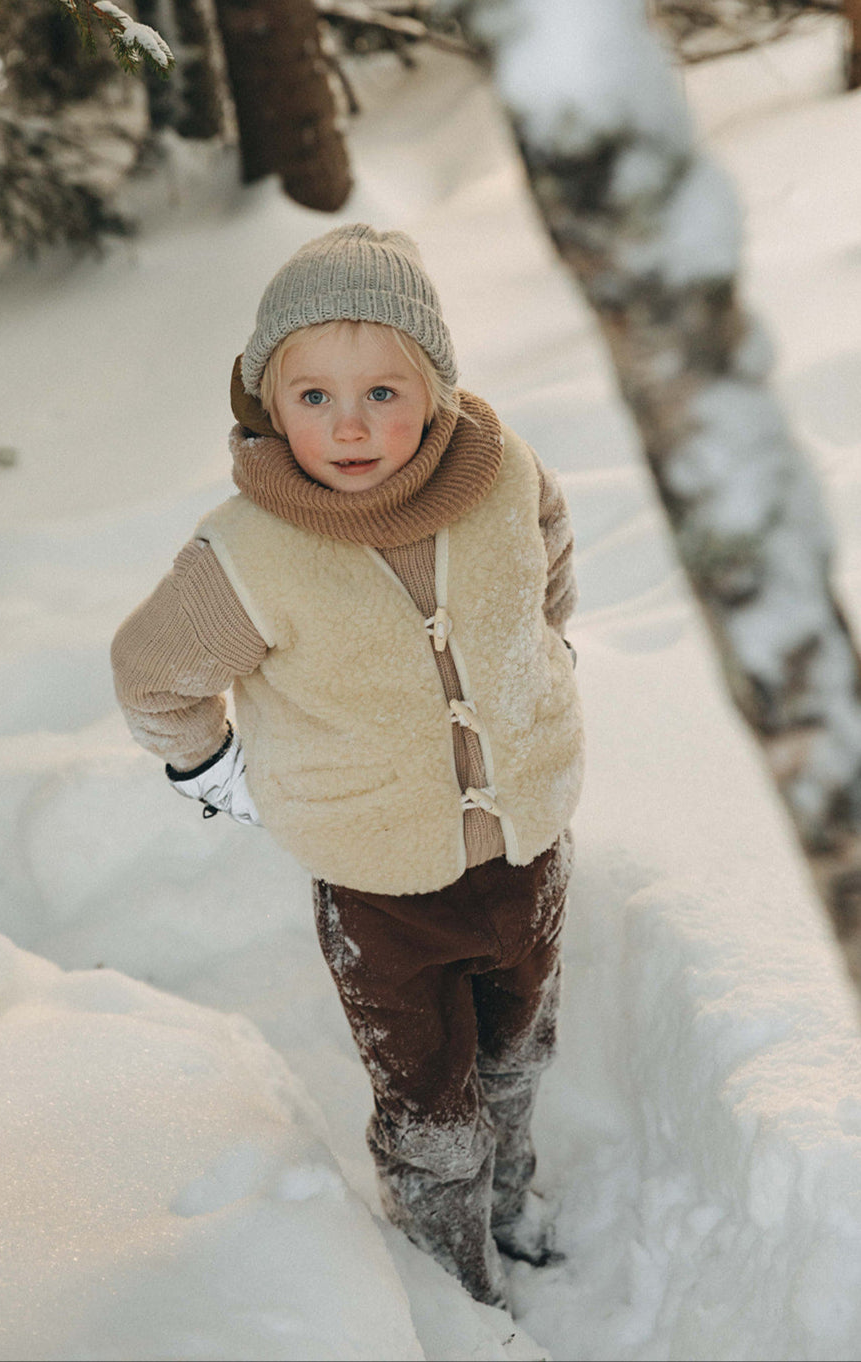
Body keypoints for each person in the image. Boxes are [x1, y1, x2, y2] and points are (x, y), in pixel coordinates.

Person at [111, 223, 584, 1309]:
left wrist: (539, 651)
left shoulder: (499, 470)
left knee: (515, 1053)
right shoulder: (247, 551)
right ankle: (450, 1274)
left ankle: (514, 1199)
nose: (351, 423)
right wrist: (210, 770)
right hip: (380, 890)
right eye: (313, 396)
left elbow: (547, 543)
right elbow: (152, 675)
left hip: (528, 847)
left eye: (384, 389)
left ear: (439, 390)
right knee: (428, 1098)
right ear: (266, 403)